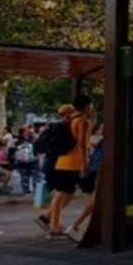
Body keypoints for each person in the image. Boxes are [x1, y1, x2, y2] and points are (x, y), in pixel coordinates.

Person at [46, 96, 94, 238]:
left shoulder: (69, 120)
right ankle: (57, 226)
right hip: (74, 163)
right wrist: (84, 166)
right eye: (91, 106)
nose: (93, 109)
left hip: (61, 161)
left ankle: (52, 223)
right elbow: (82, 145)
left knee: (65, 193)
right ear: (86, 107)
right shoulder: (83, 122)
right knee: (92, 193)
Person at [35, 105, 75, 231]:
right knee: (61, 194)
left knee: (68, 194)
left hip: (53, 163)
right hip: (56, 164)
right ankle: (54, 224)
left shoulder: (56, 127)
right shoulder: (62, 128)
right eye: (67, 114)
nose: (69, 116)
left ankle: (47, 217)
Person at [66, 125, 103, 241]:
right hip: (100, 171)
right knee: (95, 200)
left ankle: (77, 226)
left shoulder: (102, 141)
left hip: (94, 171)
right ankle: (75, 226)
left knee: (94, 200)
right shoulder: (106, 142)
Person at [13, 128, 38, 194]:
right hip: (33, 162)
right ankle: (36, 193)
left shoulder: (16, 140)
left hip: (22, 163)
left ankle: (26, 192)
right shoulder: (33, 140)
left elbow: (12, 151)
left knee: (24, 178)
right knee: (35, 177)